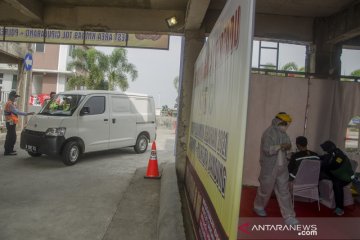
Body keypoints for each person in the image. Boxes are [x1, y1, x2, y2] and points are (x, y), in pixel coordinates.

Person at [253, 112, 299, 225]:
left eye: (286, 124)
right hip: (269, 168)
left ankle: (289, 216)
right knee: (265, 190)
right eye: (284, 123)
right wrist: (280, 146)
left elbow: (288, 146)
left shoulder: (284, 134)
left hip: (282, 167)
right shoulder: (268, 133)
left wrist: (288, 149)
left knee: (284, 192)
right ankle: (258, 207)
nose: (285, 126)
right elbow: (267, 150)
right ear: (277, 122)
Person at [320, 140, 355, 216]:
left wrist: (323, 164)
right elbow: (325, 157)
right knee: (320, 173)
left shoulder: (339, 156)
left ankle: (340, 208)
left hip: (347, 177)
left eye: (325, 149)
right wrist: (317, 157)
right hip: (338, 175)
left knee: (337, 185)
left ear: (330, 148)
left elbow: (333, 166)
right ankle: (319, 195)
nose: (324, 150)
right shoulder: (332, 153)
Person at [3, 91, 34, 156]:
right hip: (10, 122)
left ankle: (9, 150)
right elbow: (17, 112)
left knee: (11, 136)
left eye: (16, 97)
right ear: (11, 97)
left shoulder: (10, 103)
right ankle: (8, 151)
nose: (16, 98)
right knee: (11, 137)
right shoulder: (10, 104)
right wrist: (27, 114)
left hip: (11, 122)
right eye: (15, 97)